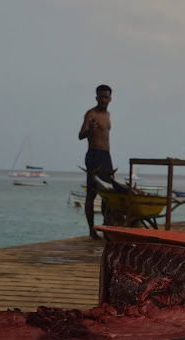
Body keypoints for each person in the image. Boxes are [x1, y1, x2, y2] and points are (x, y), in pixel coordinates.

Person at [78, 84, 113, 240]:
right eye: (100, 96)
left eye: (106, 96)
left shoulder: (108, 115)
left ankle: (105, 228)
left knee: (108, 194)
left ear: (110, 99)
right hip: (94, 155)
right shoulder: (91, 114)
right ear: (96, 97)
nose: (103, 99)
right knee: (92, 194)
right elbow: (80, 135)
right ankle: (92, 231)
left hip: (106, 156)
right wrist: (90, 129)